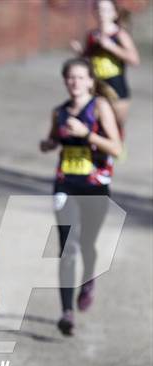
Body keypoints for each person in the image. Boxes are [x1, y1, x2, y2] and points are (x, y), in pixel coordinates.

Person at [40, 57, 121, 336]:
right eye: (70, 78)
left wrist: (88, 134)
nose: (75, 82)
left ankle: (88, 281)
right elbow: (52, 140)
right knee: (67, 248)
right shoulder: (59, 112)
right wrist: (48, 143)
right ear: (65, 81)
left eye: (80, 77)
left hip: (95, 186)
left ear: (90, 81)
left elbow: (116, 148)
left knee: (87, 243)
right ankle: (66, 312)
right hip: (66, 184)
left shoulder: (99, 107)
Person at [70, 0, 139, 131]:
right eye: (99, 9)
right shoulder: (91, 35)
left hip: (116, 85)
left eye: (106, 10)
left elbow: (135, 60)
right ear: (94, 12)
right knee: (95, 125)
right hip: (95, 85)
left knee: (117, 128)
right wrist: (80, 54)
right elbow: (88, 61)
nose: (102, 13)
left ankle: (118, 151)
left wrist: (111, 46)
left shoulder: (120, 35)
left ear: (114, 13)